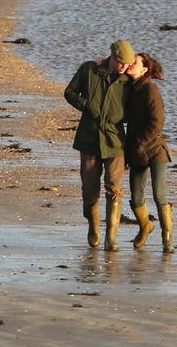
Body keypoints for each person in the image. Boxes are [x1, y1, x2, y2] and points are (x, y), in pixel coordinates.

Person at [64, 39, 135, 251]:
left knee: (114, 188)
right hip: (89, 139)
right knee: (89, 190)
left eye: (127, 64)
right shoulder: (89, 70)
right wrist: (87, 106)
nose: (124, 67)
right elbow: (69, 92)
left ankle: (110, 238)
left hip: (115, 141)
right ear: (112, 57)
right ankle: (93, 225)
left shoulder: (129, 81)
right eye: (121, 63)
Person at [124, 53, 174, 253]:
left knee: (159, 195)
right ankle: (146, 226)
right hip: (137, 153)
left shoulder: (150, 89)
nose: (129, 64)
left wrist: (139, 141)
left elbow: (157, 122)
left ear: (144, 69)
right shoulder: (129, 87)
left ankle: (167, 238)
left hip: (155, 151)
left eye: (134, 62)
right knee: (136, 198)